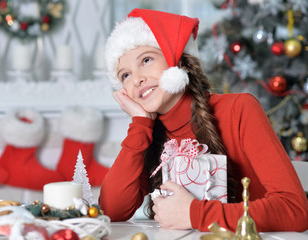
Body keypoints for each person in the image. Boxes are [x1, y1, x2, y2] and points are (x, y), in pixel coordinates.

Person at [98, 8, 308, 232]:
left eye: (146, 60)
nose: (137, 79)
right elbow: (112, 210)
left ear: (176, 60)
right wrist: (140, 123)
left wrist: (195, 214)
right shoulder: (147, 134)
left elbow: (295, 210)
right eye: (125, 76)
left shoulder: (239, 109)